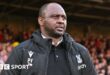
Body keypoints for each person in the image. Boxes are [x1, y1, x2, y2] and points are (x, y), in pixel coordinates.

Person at [1, 2, 97, 75]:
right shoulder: (21, 51)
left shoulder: (81, 52)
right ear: (41, 20)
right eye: (55, 17)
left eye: (64, 18)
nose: (61, 21)